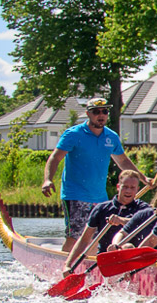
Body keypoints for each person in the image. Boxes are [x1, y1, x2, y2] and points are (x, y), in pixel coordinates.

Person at [40, 98, 131, 245]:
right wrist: (47, 179)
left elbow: (123, 162)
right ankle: (65, 265)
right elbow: (55, 158)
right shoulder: (73, 134)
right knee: (75, 236)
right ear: (88, 113)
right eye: (96, 112)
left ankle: (92, 266)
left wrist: (142, 178)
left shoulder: (111, 137)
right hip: (75, 195)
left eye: (104, 111)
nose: (101, 115)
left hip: (100, 198)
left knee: (98, 238)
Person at [64, 168, 149, 264]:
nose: (128, 191)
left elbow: (145, 224)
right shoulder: (102, 208)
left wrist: (121, 220)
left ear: (137, 189)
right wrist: (68, 264)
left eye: (132, 188)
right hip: (104, 258)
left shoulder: (143, 209)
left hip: (132, 259)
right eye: (125, 187)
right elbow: (84, 239)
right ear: (118, 187)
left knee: (127, 247)